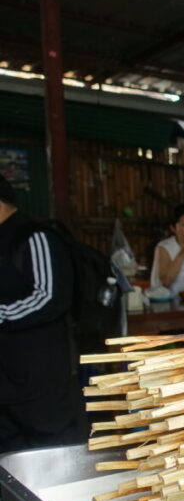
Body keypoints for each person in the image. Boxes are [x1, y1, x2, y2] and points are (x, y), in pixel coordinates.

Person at [0, 174, 87, 452]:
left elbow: (49, 297)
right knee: (11, 464)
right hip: (6, 381)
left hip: (41, 381)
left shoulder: (33, 236)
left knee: (54, 455)